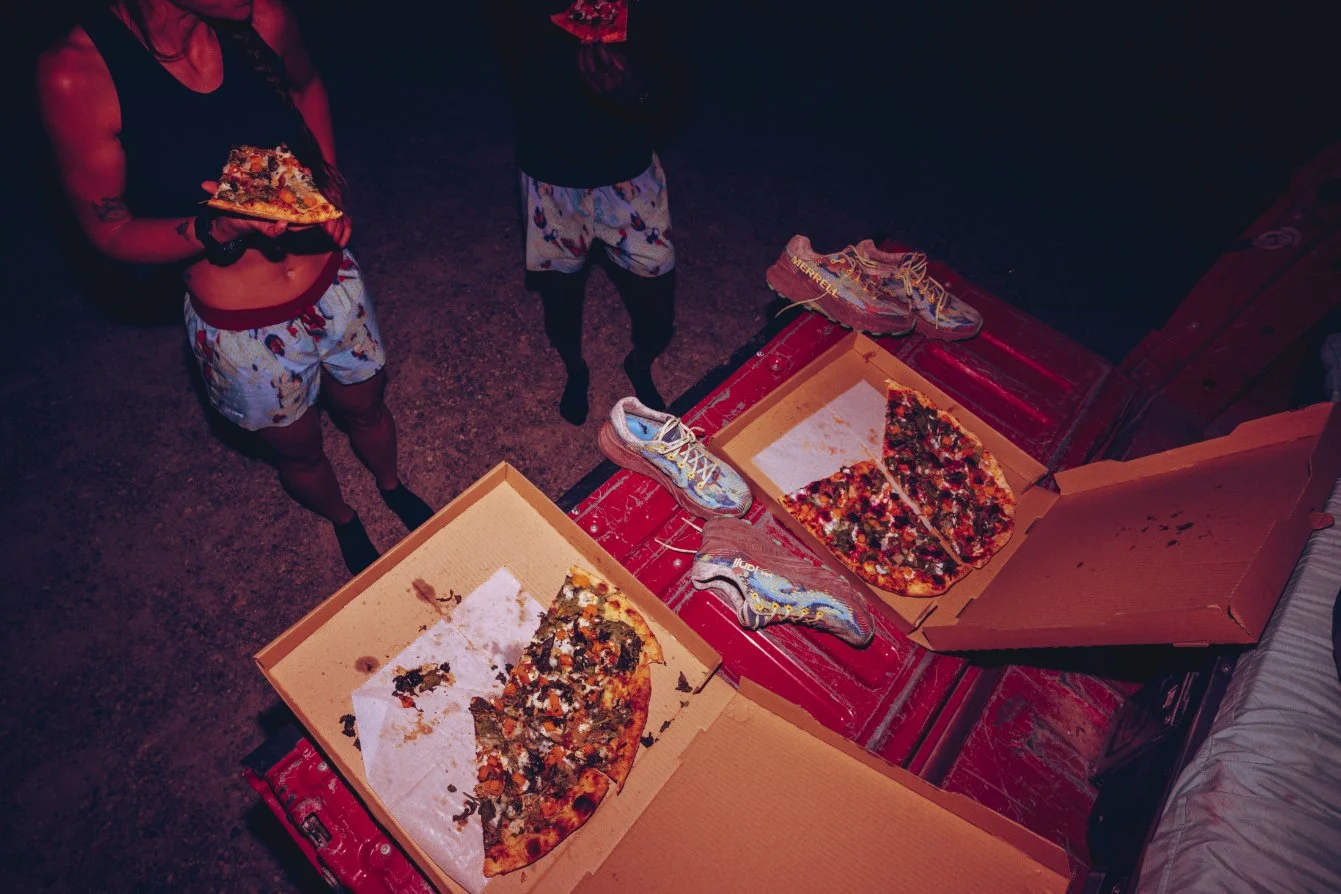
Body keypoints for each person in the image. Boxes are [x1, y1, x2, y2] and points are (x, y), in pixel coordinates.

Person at [35, 0, 432, 574]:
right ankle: (345, 518)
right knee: (300, 451)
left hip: (333, 284)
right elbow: (109, 228)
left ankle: (392, 484)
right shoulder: (76, 71)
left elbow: (308, 85)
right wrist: (213, 227)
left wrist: (331, 187)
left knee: (368, 408)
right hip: (241, 332)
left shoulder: (261, 16)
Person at [489, 0, 687, 425]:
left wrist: (636, 90)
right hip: (550, 175)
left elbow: (678, 79)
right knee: (561, 300)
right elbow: (510, 62)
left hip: (630, 172)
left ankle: (639, 363)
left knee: (658, 309)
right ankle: (575, 370)